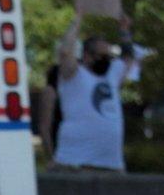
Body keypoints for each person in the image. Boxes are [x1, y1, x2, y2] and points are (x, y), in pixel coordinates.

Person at [51, 14, 147, 171]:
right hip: (76, 163)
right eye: (102, 56)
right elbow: (65, 52)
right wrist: (77, 19)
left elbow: (128, 57)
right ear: (87, 56)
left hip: (111, 164)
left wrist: (124, 30)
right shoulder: (74, 75)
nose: (107, 60)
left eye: (108, 56)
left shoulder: (112, 74)